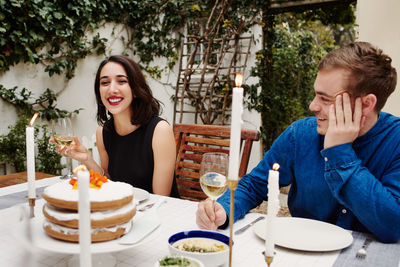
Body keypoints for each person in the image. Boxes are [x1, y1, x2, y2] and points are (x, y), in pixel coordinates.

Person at [196, 42, 400, 243]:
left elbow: (393, 225)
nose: (313, 105)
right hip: (301, 253)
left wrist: (340, 153)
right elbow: (255, 185)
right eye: (315, 94)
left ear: (366, 104)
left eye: (325, 99)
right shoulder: (300, 134)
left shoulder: (396, 141)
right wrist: (223, 208)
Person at [54, 55, 179, 197]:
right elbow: (109, 183)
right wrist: (86, 159)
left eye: (121, 81)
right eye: (105, 83)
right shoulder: (102, 132)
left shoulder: (160, 131)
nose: (112, 89)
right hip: (122, 211)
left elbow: (160, 198)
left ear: (135, 89)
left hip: (159, 213)